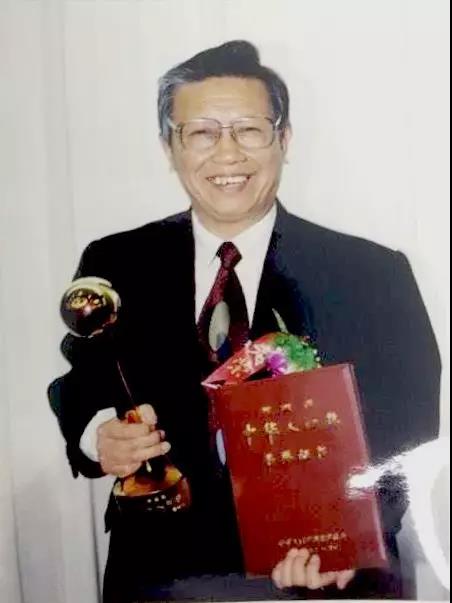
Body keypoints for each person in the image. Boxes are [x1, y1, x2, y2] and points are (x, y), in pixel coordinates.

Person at [48, 41, 441, 602]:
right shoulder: (116, 262)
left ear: (284, 139)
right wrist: (97, 438)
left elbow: (409, 427)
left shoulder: (371, 272)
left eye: (249, 130)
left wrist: (352, 540)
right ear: (169, 147)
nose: (227, 154)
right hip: (165, 577)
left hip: (321, 578)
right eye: (201, 133)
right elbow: (79, 384)